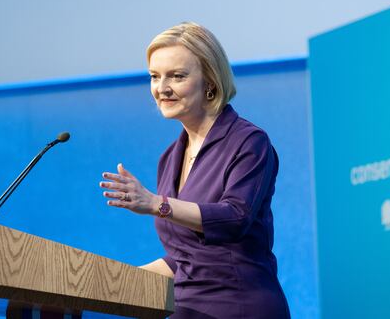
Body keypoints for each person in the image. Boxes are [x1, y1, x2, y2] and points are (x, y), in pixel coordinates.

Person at [99, 22, 290, 318]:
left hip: (239, 306)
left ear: (210, 82)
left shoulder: (249, 142)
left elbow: (234, 218)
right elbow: (184, 259)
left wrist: (156, 203)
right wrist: (107, 280)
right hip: (185, 308)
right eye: (154, 76)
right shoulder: (170, 157)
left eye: (177, 76)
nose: (161, 88)